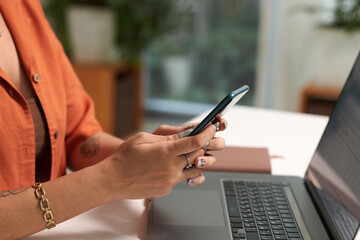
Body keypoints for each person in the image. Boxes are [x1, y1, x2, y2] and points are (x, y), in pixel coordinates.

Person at [0, 1, 226, 239]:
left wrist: (148, 157)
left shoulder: (22, 6)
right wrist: (111, 179)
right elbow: (109, 175)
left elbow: (77, 135)